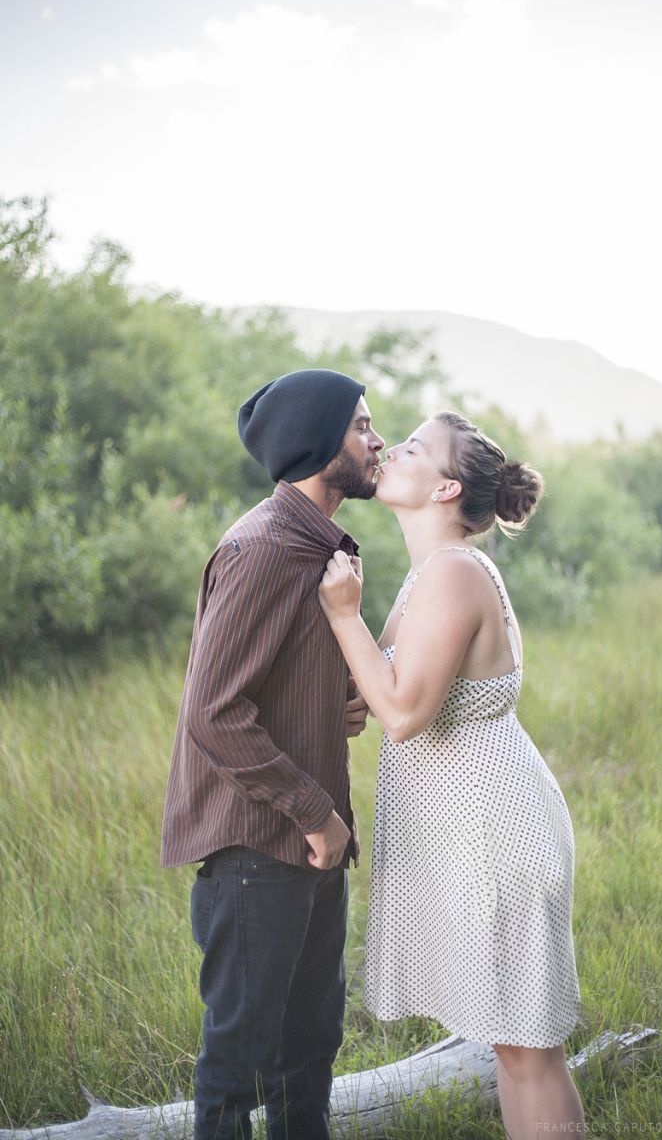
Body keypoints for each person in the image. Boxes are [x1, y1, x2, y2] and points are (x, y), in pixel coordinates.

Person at [318, 410, 585, 1139]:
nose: (391, 451)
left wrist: (345, 616)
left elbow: (402, 714)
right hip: (478, 836)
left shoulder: (457, 573)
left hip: (497, 836)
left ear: (445, 489)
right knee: (515, 1045)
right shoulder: (426, 578)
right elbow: (377, 695)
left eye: (412, 448)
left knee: (529, 1051)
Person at [160, 368, 385, 1140]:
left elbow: (280, 690)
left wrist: (344, 700)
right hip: (259, 849)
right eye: (361, 425)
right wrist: (318, 814)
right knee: (239, 1068)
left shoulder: (321, 549)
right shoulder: (262, 548)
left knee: (309, 1051)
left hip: (310, 849)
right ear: (318, 445)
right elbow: (214, 712)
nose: (376, 439)